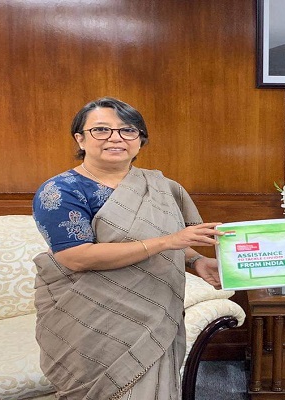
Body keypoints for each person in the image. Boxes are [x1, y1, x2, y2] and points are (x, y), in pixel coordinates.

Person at [32, 97, 224, 399]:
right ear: (80, 139)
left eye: (128, 130)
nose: (115, 138)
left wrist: (197, 261)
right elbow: (75, 257)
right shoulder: (61, 190)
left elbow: (179, 241)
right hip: (91, 321)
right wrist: (167, 241)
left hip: (155, 313)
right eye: (101, 130)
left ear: (140, 140)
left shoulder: (163, 187)